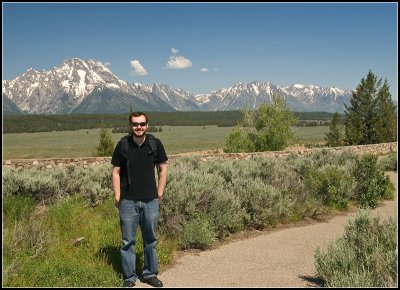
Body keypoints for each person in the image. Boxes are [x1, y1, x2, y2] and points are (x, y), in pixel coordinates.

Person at [111, 112, 168, 288]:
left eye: (142, 124)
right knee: (128, 241)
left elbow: (163, 170)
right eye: (135, 124)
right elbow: (115, 172)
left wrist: (159, 193)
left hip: (150, 200)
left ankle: (150, 273)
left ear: (147, 125)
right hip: (128, 201)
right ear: (131, 126)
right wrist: (118, 195)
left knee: (150, 238)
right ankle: (129, 277)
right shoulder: (122, 145)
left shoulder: (155, 144)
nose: (139, 127)